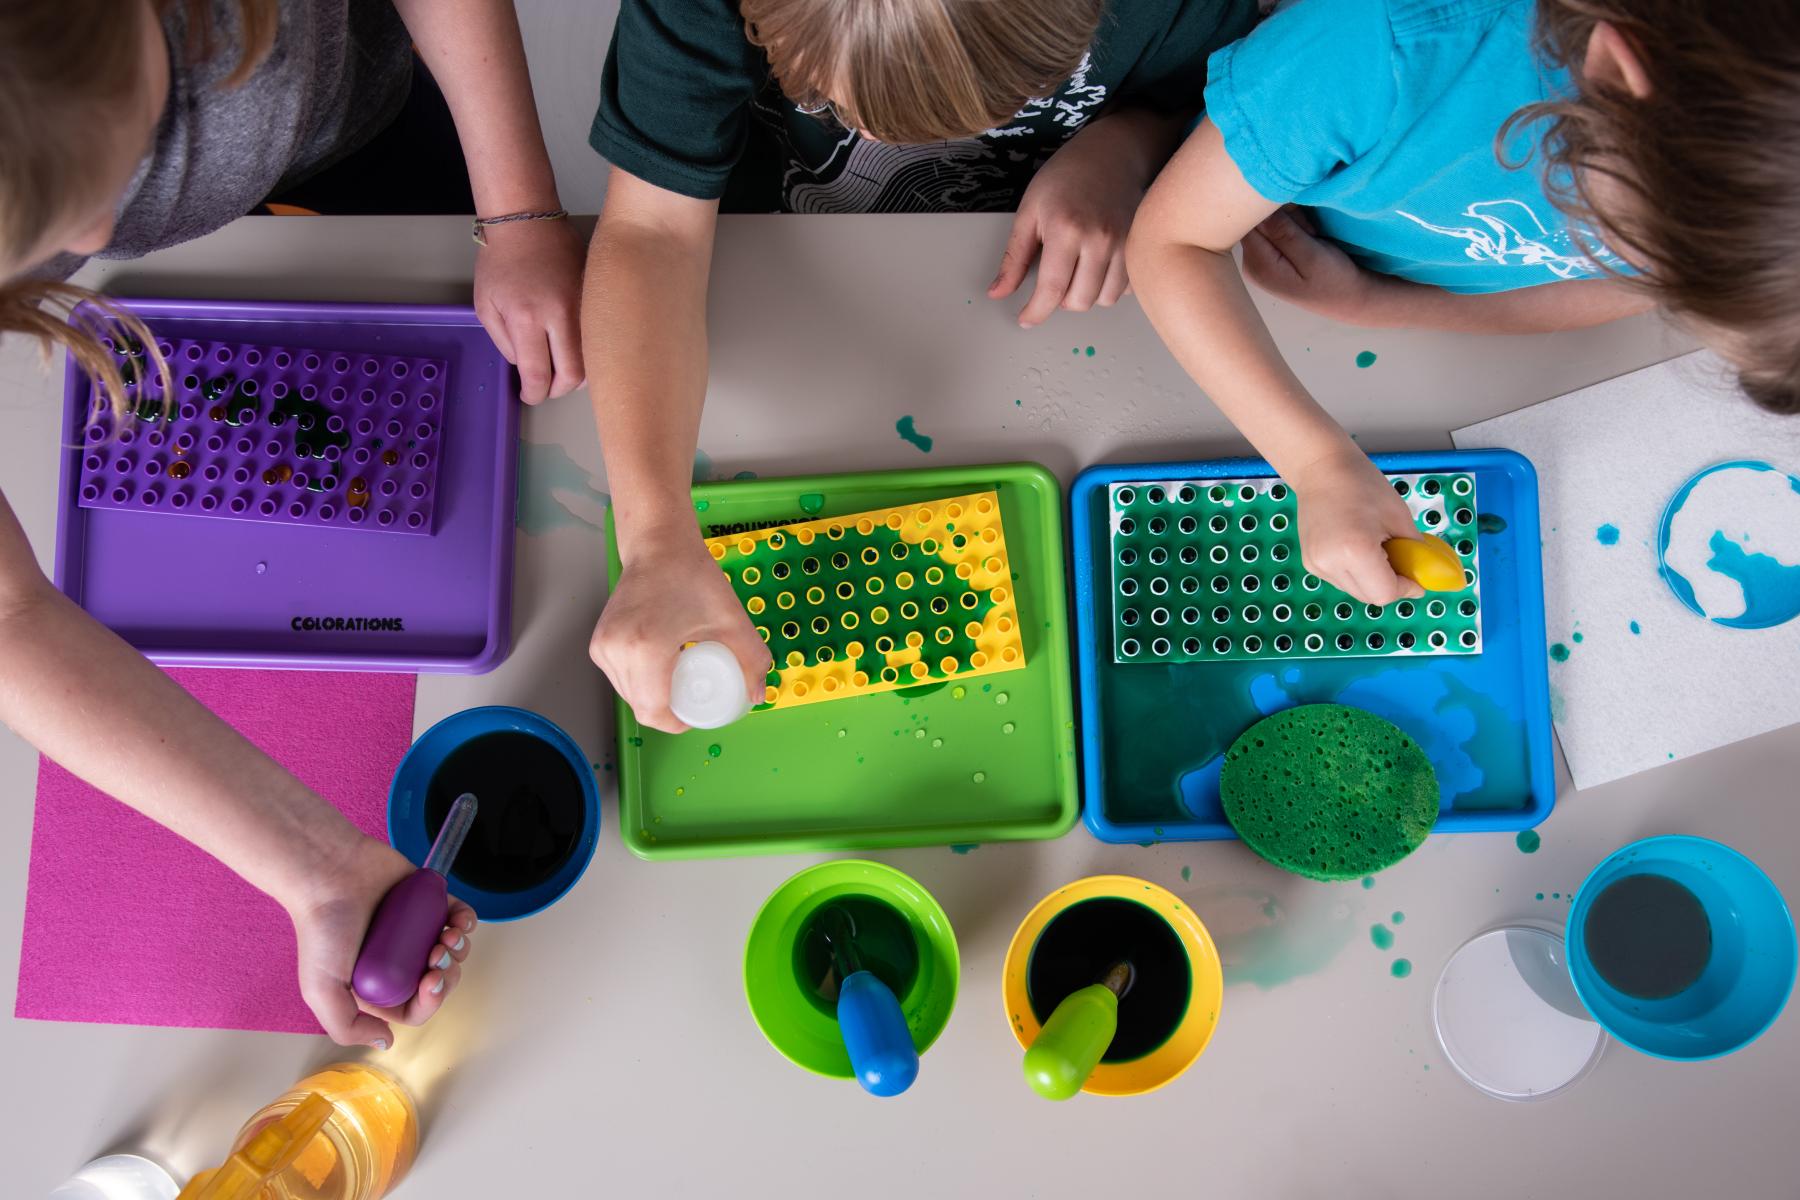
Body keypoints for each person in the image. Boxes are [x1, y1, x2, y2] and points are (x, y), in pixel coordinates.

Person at [0, 0, 588, 1044]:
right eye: (41, 246)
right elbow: (6, 618)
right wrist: (318, 872)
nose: (94, 239)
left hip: (349, 117)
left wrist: (518, 212)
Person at [584, 0, 1257, 732]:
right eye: (830, 101)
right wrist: (653, 537)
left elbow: (1215, 96)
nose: (878, 136)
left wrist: (1127, 149)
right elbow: (651, 231)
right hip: (771, 255)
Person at [1127, 0, 1800, 606]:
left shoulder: (1723, 205)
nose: (1634, 264)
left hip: (1374, 314)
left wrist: (1386, 306)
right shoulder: (1383, 43)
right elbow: (1172, 243)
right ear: (1618, 74)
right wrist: (1315, 463)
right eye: (1642, 245)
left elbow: (1617, 289)